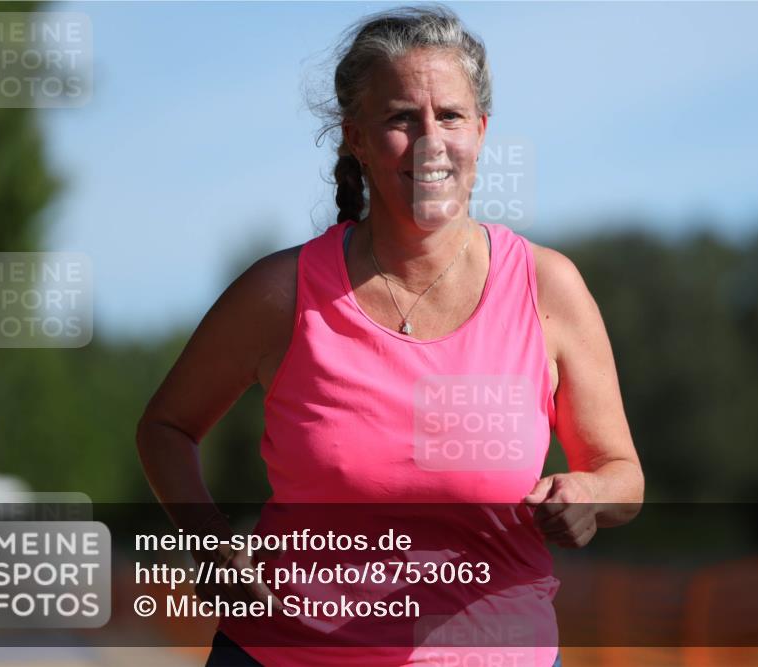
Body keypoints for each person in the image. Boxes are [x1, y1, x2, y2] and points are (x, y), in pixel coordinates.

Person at [136, 5, 643, 666]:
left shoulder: (548, 288)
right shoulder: (282, 292)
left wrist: (588, 496)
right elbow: (166, 426)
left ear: (482, 133)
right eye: (402, 117)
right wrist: (208, 542)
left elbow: (621, 475)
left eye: (451, 117)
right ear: (356, 137)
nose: (431, 141)